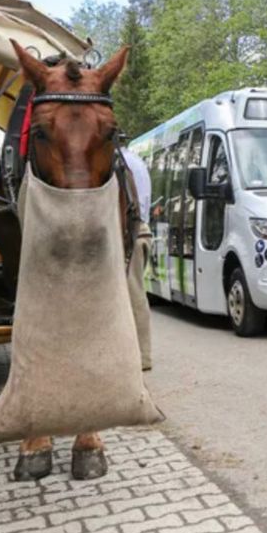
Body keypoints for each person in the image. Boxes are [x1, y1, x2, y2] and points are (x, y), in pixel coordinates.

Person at [119, 140, 154, 371]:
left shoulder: (119, 164)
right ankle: (140, 355)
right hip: (143, 231)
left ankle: (141, 358)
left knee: (132, 296)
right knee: (136, 294)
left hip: (129, 233)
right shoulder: (137, 162)